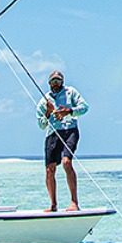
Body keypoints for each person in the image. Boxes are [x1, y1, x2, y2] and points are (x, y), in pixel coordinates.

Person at [40, 70, 89, 212]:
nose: (56, 84)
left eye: (58, 81)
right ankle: (53, 204)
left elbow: (85, 107)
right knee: (50, 170)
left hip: (70, 130)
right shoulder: (44, 101)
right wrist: (48, 113)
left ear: (62, 81)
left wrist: (69, 111)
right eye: (53, 81)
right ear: (49, 83)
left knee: (67, 162)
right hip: (52, 134)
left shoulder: (71, 92)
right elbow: (41, 124)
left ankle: (74, 202)